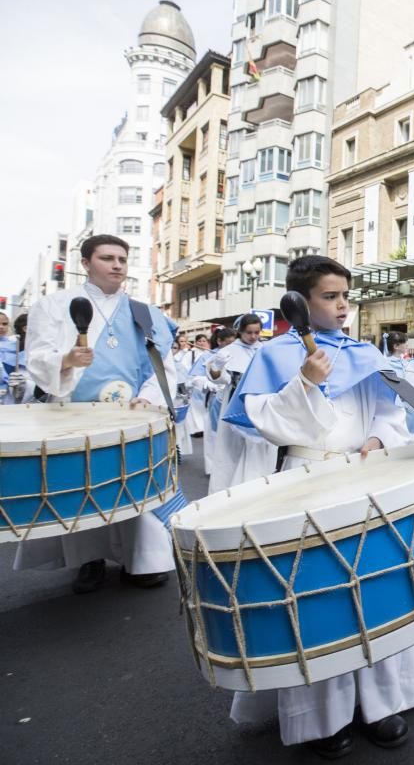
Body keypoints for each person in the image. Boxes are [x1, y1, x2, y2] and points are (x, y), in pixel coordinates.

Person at [222, 255, 414, 759]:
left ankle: (381, 703)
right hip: (305, 482)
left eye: (345, 296)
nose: (342, 305)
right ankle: (323, 718)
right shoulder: (276, 355)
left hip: (363, 478)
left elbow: (388, 409)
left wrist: (378, 438)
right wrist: (305, 382)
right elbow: (267, 423)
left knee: (376, 587)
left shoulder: (363, 352)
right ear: (301, 303)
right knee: (317, 597)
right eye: (330, 297)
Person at [16, 234, 176, 593]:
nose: (117, 265)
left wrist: (149, 398)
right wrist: (66, 361)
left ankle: (144, 560)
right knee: (82, 487)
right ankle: (89, 560)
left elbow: (162, 365)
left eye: (122, 258)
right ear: (86, 263)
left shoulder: (143, 312)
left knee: (134, 489)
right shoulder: (54, 305)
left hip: (129, 417)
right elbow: (38, 355)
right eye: (107, 258)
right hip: (73, 414)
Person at [206, 314, 277, 493]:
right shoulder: (230, 351)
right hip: (236, 406)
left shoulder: (266, 349)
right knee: (232, 450)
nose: (253, 337)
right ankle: (228, 490)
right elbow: (218, 379)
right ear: (240, 332)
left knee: (260, 451)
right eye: (249, 333)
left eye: (257, 332)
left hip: (261, 406)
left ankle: (257, 489)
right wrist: (218, 367)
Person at [197, 327, 236, 476]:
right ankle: (213, 468)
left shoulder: (239, 355)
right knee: (214, 435)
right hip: (216, 400)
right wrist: (209, 384)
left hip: (232, 399)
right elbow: (193, 377)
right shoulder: (208, 356)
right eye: (228, 343)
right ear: (219, 341)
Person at [385, 330, 414, 441]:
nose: (407, 345)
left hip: (410, 401)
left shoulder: (406, 362)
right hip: (396, 403)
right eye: (404, 343)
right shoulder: (387, 364)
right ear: (396, 346)